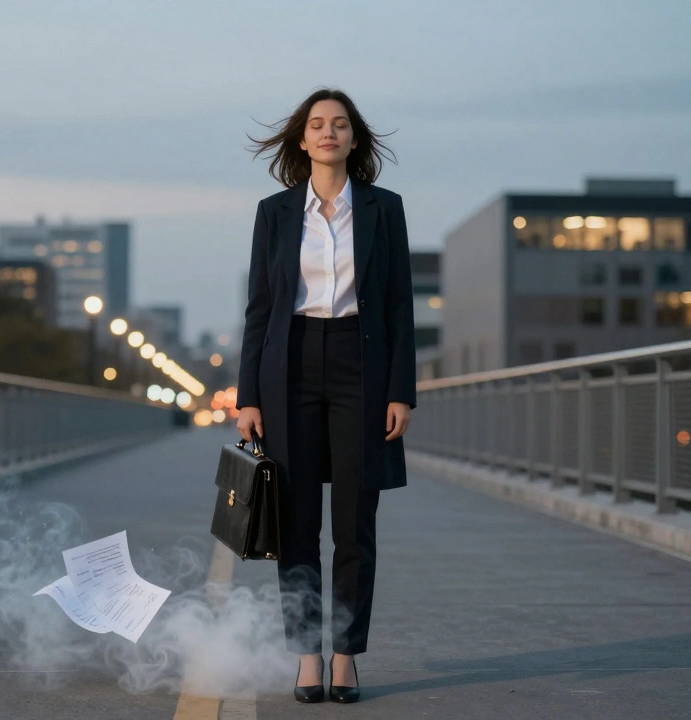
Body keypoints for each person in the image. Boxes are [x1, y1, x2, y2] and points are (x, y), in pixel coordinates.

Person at [236, 88, 416, 705]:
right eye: (317, 124)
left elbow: (398, 306)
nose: (328, 133)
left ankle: (346, 656)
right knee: (296, 525)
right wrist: (248, 395)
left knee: (355, 525)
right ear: (302, 139)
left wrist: (400, 390)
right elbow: (259, 308)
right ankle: (307, 658)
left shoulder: (384, 209)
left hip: (359, 366)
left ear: (355, 139)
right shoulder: (276, 212)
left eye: (339, 124)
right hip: (287, 368)